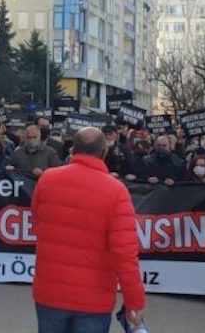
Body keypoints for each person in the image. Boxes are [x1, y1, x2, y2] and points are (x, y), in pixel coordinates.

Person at [31, 127, 145, 332]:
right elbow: (125, 253)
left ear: (73, 150)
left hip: (50, 291)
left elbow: (37, 223)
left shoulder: (47, 180)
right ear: (104, 153)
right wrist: (134, 302)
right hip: (93, 298)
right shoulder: (117, 191)